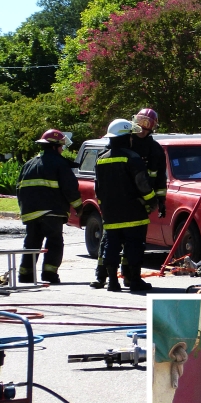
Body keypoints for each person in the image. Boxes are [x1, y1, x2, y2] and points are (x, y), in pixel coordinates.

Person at [94, 119, 157, 294]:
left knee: (111, 247)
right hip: (133, 213)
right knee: (134, 246)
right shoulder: (132, 158)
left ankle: (113, 282)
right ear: (125, 137)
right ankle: (135, 281)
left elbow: (97, 189)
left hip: (111, 214)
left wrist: (104, 208)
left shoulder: (101, 160)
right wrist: (152, 202)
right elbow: (142, 184)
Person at [16, 128, 82, 284]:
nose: (61, 149)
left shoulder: (29, 164)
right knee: (54, 242)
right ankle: (49, 274)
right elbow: (70, 188)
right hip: (52, 212)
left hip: (31, 213)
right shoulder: (60, 164)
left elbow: (19, 189)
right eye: (61, 146)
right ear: (54, 146)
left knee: (31, 243)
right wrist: (79, 207)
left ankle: (25, 275)